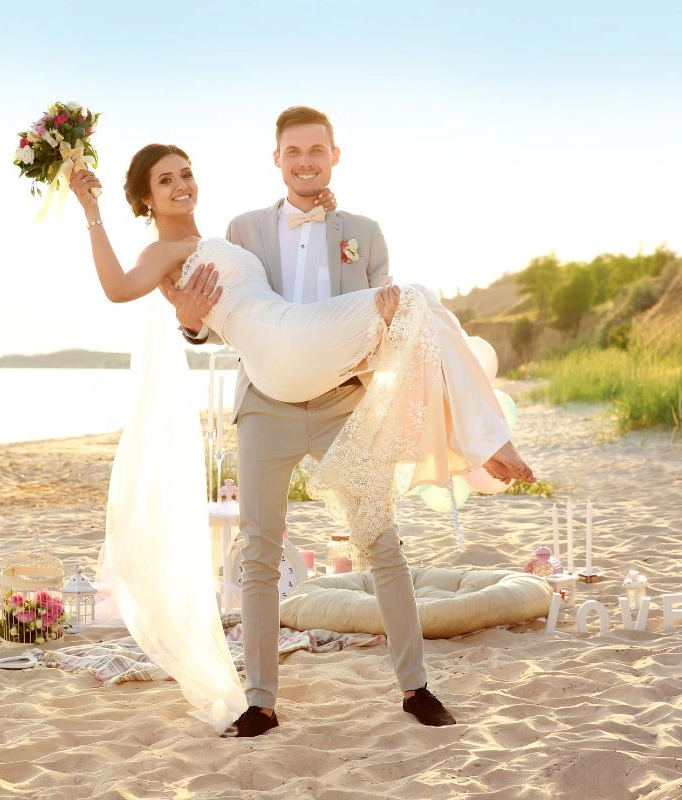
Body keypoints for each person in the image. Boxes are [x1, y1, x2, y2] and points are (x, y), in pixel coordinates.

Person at [74, 109, 534, 737]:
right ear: (278, 159)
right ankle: (260, 702)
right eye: (166, 180)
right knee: (259, 550)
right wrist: (176, 306)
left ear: (333, 156)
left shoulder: (361, 234)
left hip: (338, 392)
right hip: (270, 389)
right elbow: (185, 317)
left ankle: (416, 689)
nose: (181, 185)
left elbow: (374, 329)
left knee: (382, 540)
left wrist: (377, 306)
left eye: (186, 174)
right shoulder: (241, 231)